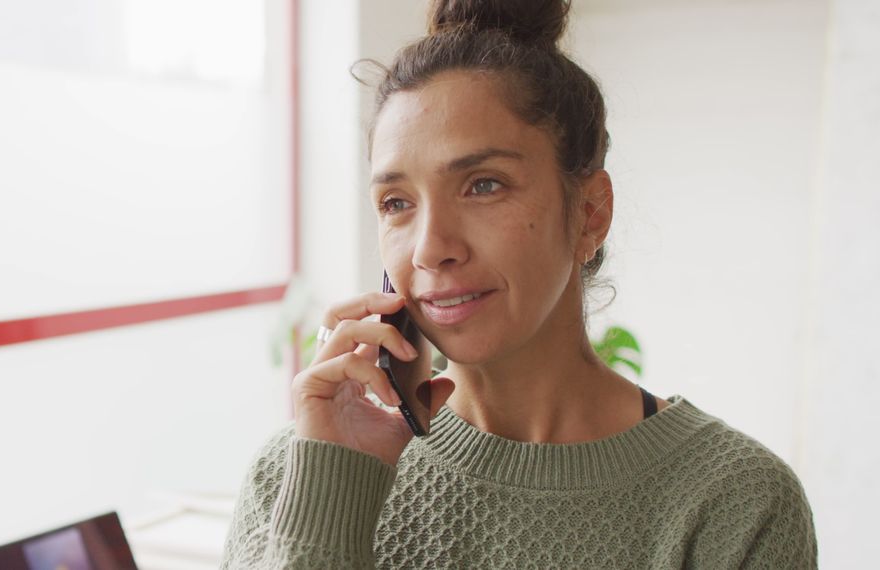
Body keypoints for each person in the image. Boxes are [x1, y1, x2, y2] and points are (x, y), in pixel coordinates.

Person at [221, 0, 817, 567]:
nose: (431, 248)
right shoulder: (297, 472)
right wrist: (334, 500)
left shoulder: (734, 504)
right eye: (397, 202)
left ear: (590, 213)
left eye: (484, 185)